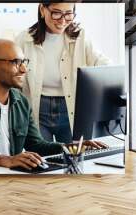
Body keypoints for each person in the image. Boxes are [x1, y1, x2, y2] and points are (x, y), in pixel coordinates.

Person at [0, 39, 107, 170]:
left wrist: (72, 147)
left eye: (24, 62)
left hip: (9, 175)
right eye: (16, 62)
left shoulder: (21, 101)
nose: (24, 69)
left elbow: (36, 144)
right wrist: (7, 160)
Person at [15, 3, 111, 143]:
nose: (62, 20)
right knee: (44, 159)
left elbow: (102, 63)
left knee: (74, 157)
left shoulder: (80, 37)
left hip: (70, 107)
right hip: (38, 108)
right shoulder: (24, 39)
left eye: (68, 14)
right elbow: (12, 74)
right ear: (43, 10)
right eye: (56, 13)